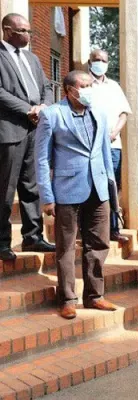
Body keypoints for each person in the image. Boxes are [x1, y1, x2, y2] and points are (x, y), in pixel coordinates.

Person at [35, 70, 117, 319]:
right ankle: (68, 298)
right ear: (70, 90)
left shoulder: (100, 114)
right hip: (67, 190)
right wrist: (47, 197)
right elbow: (41, 159)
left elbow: (104, 152)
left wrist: (111, 191)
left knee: (99, 243)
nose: (89, 89)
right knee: (66, 246)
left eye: (91, 85)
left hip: (98, 188)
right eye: (84, 85)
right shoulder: (52, 115)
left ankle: (94, 296)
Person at [0, 13, 55, 261]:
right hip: (10, 131)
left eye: (30, 31)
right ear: (8, 30)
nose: (29, 35)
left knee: (31, 186)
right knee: (5, 188)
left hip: (35, 129)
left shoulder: (32, 58)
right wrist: (27, 109)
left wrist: (44, 107)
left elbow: (46, 87)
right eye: (24, 31)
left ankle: (32, 237)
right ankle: (2, 242)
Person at [88, 48, 132, 244]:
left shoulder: (114, 86)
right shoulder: (84, 83)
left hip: (113, 145)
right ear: (90, 61)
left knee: (111, 185)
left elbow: (124, 113)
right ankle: (90, 229)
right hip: (89, 146)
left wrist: (114, 133)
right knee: (90, 186)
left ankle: (113, 228)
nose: (100, 62)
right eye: (96, 59)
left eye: (103, 60)